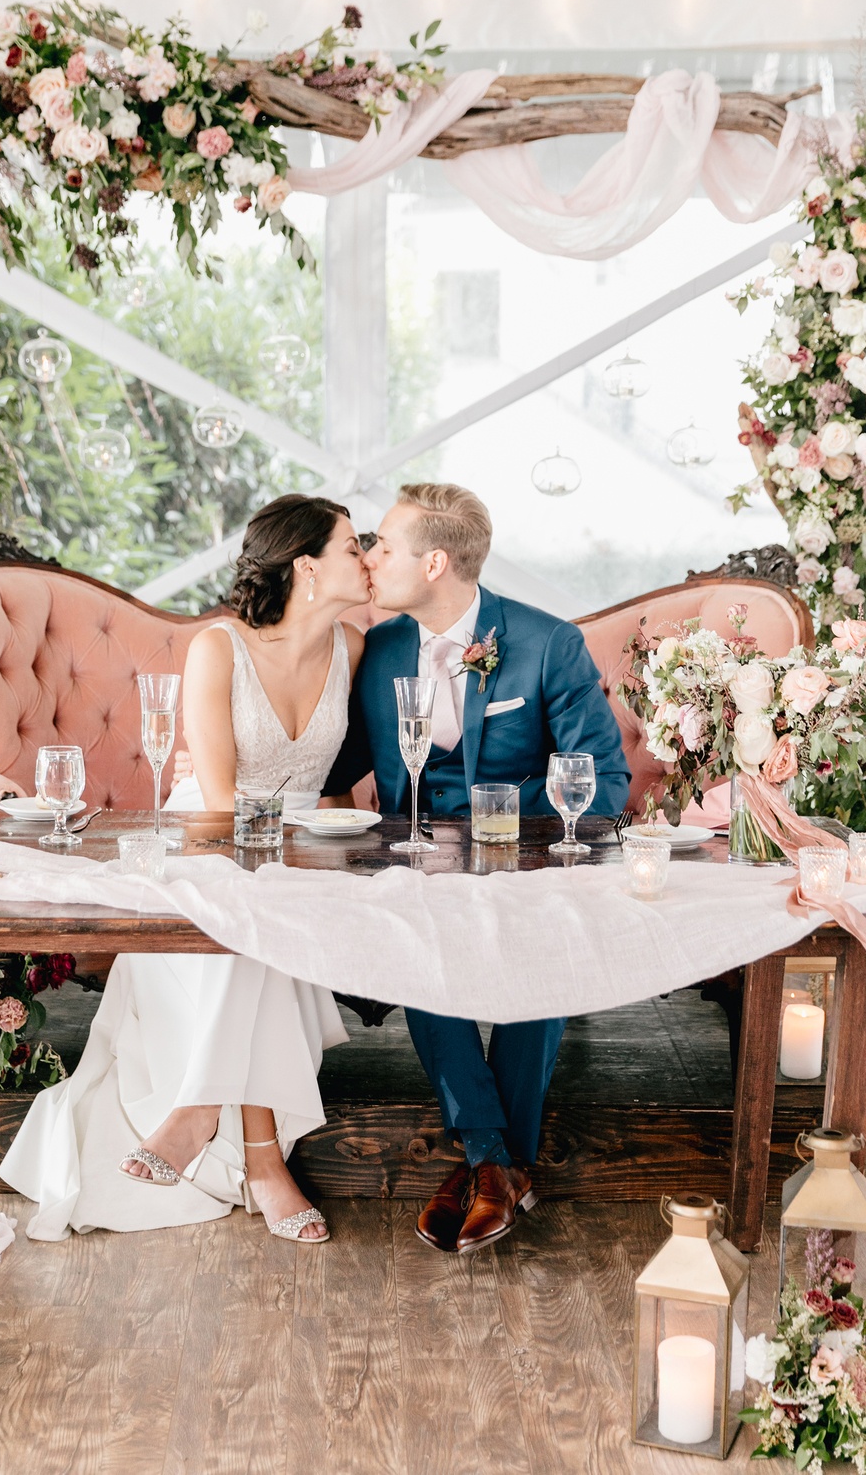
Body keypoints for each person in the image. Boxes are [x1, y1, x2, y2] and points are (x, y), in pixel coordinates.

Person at [0, 495, 371, 1244]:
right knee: (250, 921)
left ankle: (198, 1110)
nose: (365, 559)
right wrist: (268, 863)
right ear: (306, 566)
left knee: (265, 913)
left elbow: (336, 787)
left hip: (294, 850)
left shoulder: (354, 648)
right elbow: (217, 803)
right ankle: (262, 1162)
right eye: (353, 546)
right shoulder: (218, 648)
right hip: (206, 837)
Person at [322, 482, 629, 1255]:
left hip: (524, 864)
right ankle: (502, 1166)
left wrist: (518, 844)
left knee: (545, 948)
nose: (368, 555)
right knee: (429, 941)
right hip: (416, 867)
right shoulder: (379, 649)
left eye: (382, 545)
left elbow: (607, 784)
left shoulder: (546, 642)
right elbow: (340, 764)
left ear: (433, 562)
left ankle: (487, 1161)